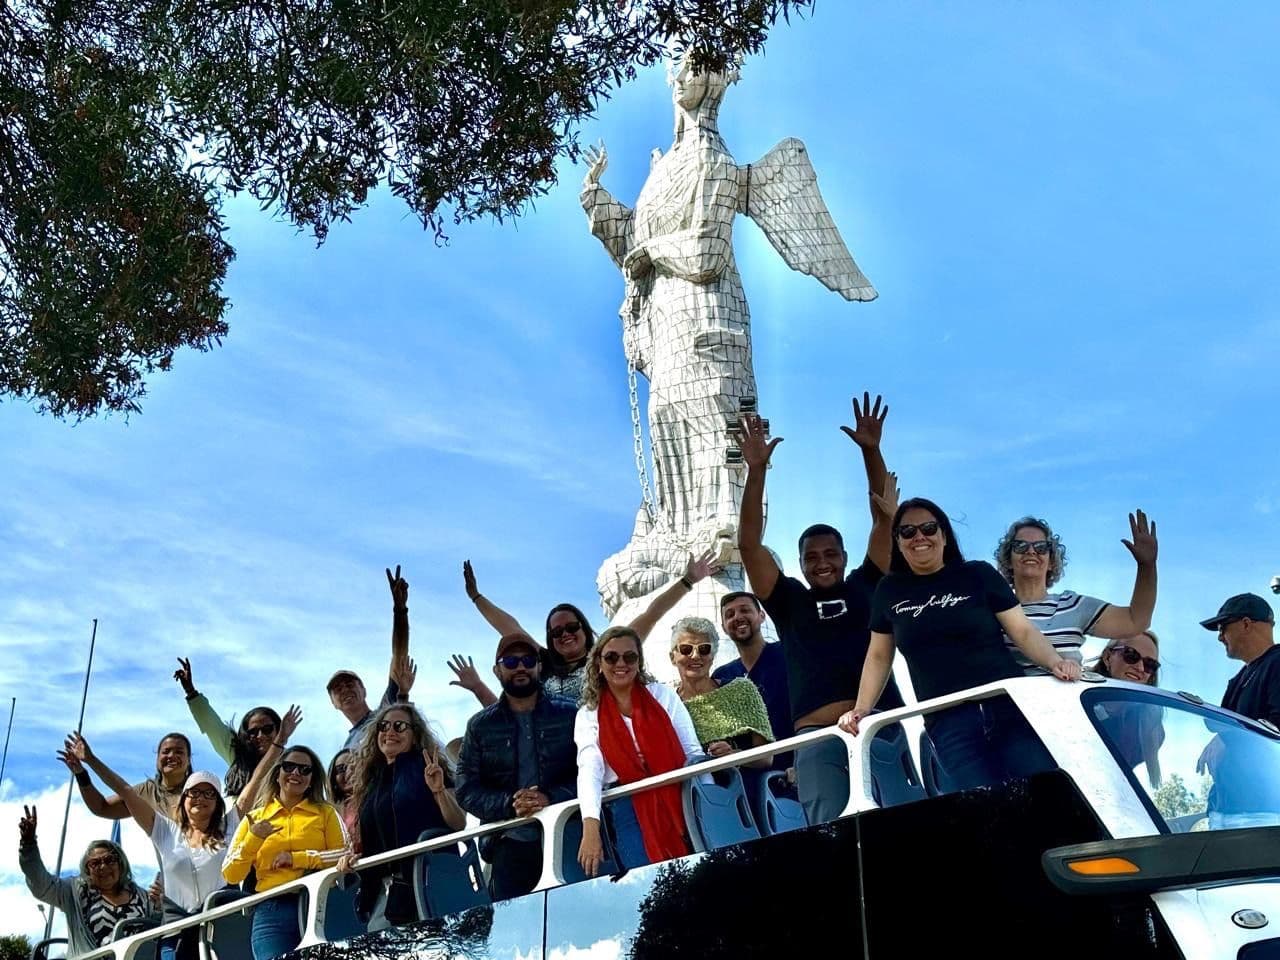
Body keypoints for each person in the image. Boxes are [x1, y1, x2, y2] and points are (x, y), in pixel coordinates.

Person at [736, 395, 905, 824]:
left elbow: (884, 519)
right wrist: (756, 472)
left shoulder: (867, 584)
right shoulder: (789, 600)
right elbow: (749, 545)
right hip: (816, 737)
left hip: (880, 722)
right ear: (801, 564)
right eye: (812, 557)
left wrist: (871, 451)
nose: (822, 562)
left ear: (844, 557)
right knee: (831, 831)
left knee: (904, 820)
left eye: (831, 554)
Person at [840, 498, 1081, 792]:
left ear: (944, 535)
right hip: (947, 722)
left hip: (1009, 707)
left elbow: (1023, 631)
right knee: (985, 806)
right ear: (898, 543)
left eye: (929, 528)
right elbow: (879, 656)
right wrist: (862, 708)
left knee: (1045, 792)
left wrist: (1056, 661)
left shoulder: (978, 574)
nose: (919, 537)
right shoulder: (889, 590)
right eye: (908, 531)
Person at [60, 714, 296, 960]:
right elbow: (125, 790)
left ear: (217, 803)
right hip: (175, 933)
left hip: (222, 930)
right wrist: (90, 760)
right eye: (194, 793)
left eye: (209, 794)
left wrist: (280, 740)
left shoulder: (229, 825)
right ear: (183, 801)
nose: (200, 798)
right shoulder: (165, 831)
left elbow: (257, 778)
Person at [459, 551, 722, 705]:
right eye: (557, 632)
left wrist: (688, 580)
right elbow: (510, 629)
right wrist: (476, 598)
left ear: (584, 629)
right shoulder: (544, 666)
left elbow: (651, 615)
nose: (565, 634)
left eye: (571, 627)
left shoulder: (608, 656)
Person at [455, 632, 578, 899]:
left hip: (569, 834)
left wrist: (550, 798)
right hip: (509, 843)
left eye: (528, 660)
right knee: (515, 924)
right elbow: (465, 789)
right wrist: (510, 804)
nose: (520, 667)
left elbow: (593, 772)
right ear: (497, 670)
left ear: (539, 666)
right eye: (510, 662)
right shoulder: (479, 726)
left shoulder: (571, 713)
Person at [575, 626, 701, 877]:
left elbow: (692, 752)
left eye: (629, 657)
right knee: (649, 880)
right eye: (611, 657)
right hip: (627, 805)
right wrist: (590, 826)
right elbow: (590, 769)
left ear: (639, 662)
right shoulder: (588, 714)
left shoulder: (662, 695)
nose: (621, 663)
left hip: (682, 795)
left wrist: (706, 799)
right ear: (599, 664)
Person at [336, 699, 465, 928]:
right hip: (387, 895)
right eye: (383, 726)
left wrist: (438, 791)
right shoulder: (371, 783)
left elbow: (458, 824)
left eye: (399, 726)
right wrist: (352, 858)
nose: (390, 732)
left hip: (432, 884)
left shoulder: (429, 768)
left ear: (414, 735)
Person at [222, 745, 346, 960]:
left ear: (312, 779)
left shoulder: (326, 812)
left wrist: (297, 858)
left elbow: (343, 854)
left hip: (320, 905)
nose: (296, 773)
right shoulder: (255, 817)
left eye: (305, 770)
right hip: (271, 911)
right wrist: (254, 838)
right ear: (277, 774)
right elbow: (230, 874)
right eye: (289, 767)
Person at [993, 513, 1158, 673]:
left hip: (1066, 690)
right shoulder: (993, 611)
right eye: (1020, 546)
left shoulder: (1072, 605)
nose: (1031, 551)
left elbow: (1136, 621)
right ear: (1008, 560)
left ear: (1051, 562)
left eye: (1041, 547)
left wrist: (1147, 566)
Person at [20, 807, 160, 959]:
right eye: (95, 863)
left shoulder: (142, 897)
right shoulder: (74, 892)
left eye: (109, 860)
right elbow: (41, 885)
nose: (103, 867)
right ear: (87, 870)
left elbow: (158, 930)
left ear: (121, 864)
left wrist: (160, 905)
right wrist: (28, 845)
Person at [670, 617, 773, 768]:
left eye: (704, 649)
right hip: (692, 782)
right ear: (672, 657)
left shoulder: (741, 691)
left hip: (746, 781)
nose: (695, 656)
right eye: (686, 649)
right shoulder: (670, 706)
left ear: (712, 656)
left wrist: (733, 755)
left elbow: (767, 758)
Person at [173, 656, 283, 798]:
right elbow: (212, 725)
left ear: (279, 731)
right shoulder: (239, 756)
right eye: (253, 732)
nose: (260, 736)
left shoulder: (291, 762)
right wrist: (191, 692)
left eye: (267, 729)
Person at [329, 566, 411, 752]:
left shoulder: (385, 713)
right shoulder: (347, 747)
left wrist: (400, 610)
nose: (345, 690)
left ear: (363, 690)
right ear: (333, 703)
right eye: (338, 689)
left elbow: (399, 655)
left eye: (350, 684)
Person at [712, 592, 793, 771]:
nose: (737, 617)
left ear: (762, 616)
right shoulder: (723, 676)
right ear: (724, 627)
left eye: (745, 610)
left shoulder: (788, 654)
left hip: (798, 764)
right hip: (749, 775)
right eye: (730, 615)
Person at [58, 732, 193, 822]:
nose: (171, 756)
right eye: (166, 752)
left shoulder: (200, 787)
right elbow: (101, 807)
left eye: (179, 752)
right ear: (157, 758)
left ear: (189, 759)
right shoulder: (147, 791)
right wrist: (81, 773)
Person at [1090, 633, 1165, 787]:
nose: (1140, 668)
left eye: (1150, 664)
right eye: (1131, 655)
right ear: (1107, 657)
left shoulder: (1149, 727)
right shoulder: (1073, 692)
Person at [1201, 593, 1280, 726]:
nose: (1220, 638)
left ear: (1246, 624)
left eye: (1222, 628)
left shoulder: (1277, 663)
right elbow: (1225, 730)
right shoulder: (1237, 680)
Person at [327, 749, 358, 841]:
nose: (348, 772)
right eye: (341, 769)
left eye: (353, 765)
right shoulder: (329, 812)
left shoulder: (375, 802)